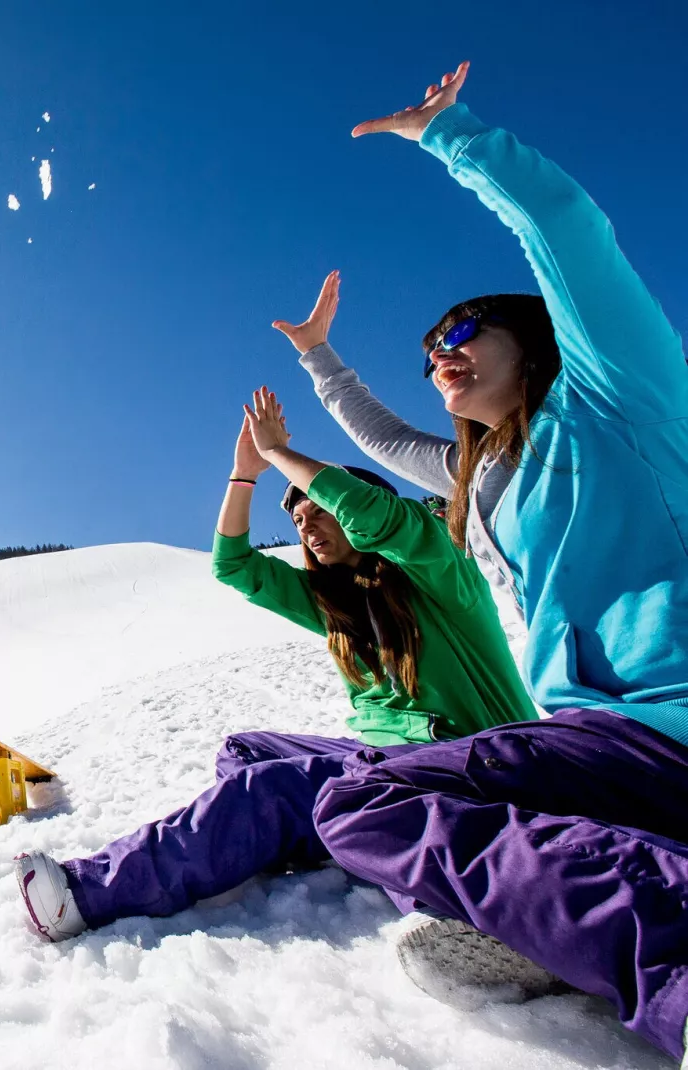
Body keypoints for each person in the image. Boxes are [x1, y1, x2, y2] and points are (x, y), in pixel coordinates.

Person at [282, 63, 688, 1061]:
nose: (439, 356)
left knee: (366, 797)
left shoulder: (614, 397)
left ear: (534, 340)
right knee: (362, 800)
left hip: (665, 724)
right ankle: (577, 929)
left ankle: (655, 935)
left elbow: (566, 229)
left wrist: (449, 136)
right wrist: (317, 360)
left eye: (461, 331)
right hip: (601, 744)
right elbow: (379, 443)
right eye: (427, 349)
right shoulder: (478, 477)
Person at [14, 387, 537, 942]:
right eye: (298, 520)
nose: (307, 527)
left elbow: (379, 518)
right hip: (384, 760)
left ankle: (85, 895)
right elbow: (234, 565)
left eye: (320, 511)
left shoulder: (442, 576)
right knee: (245, 751)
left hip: (468, 761)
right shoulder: (335, 605)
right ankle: (344, 837)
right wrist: (245, 476)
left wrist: (280, 454)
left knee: (270, 788)